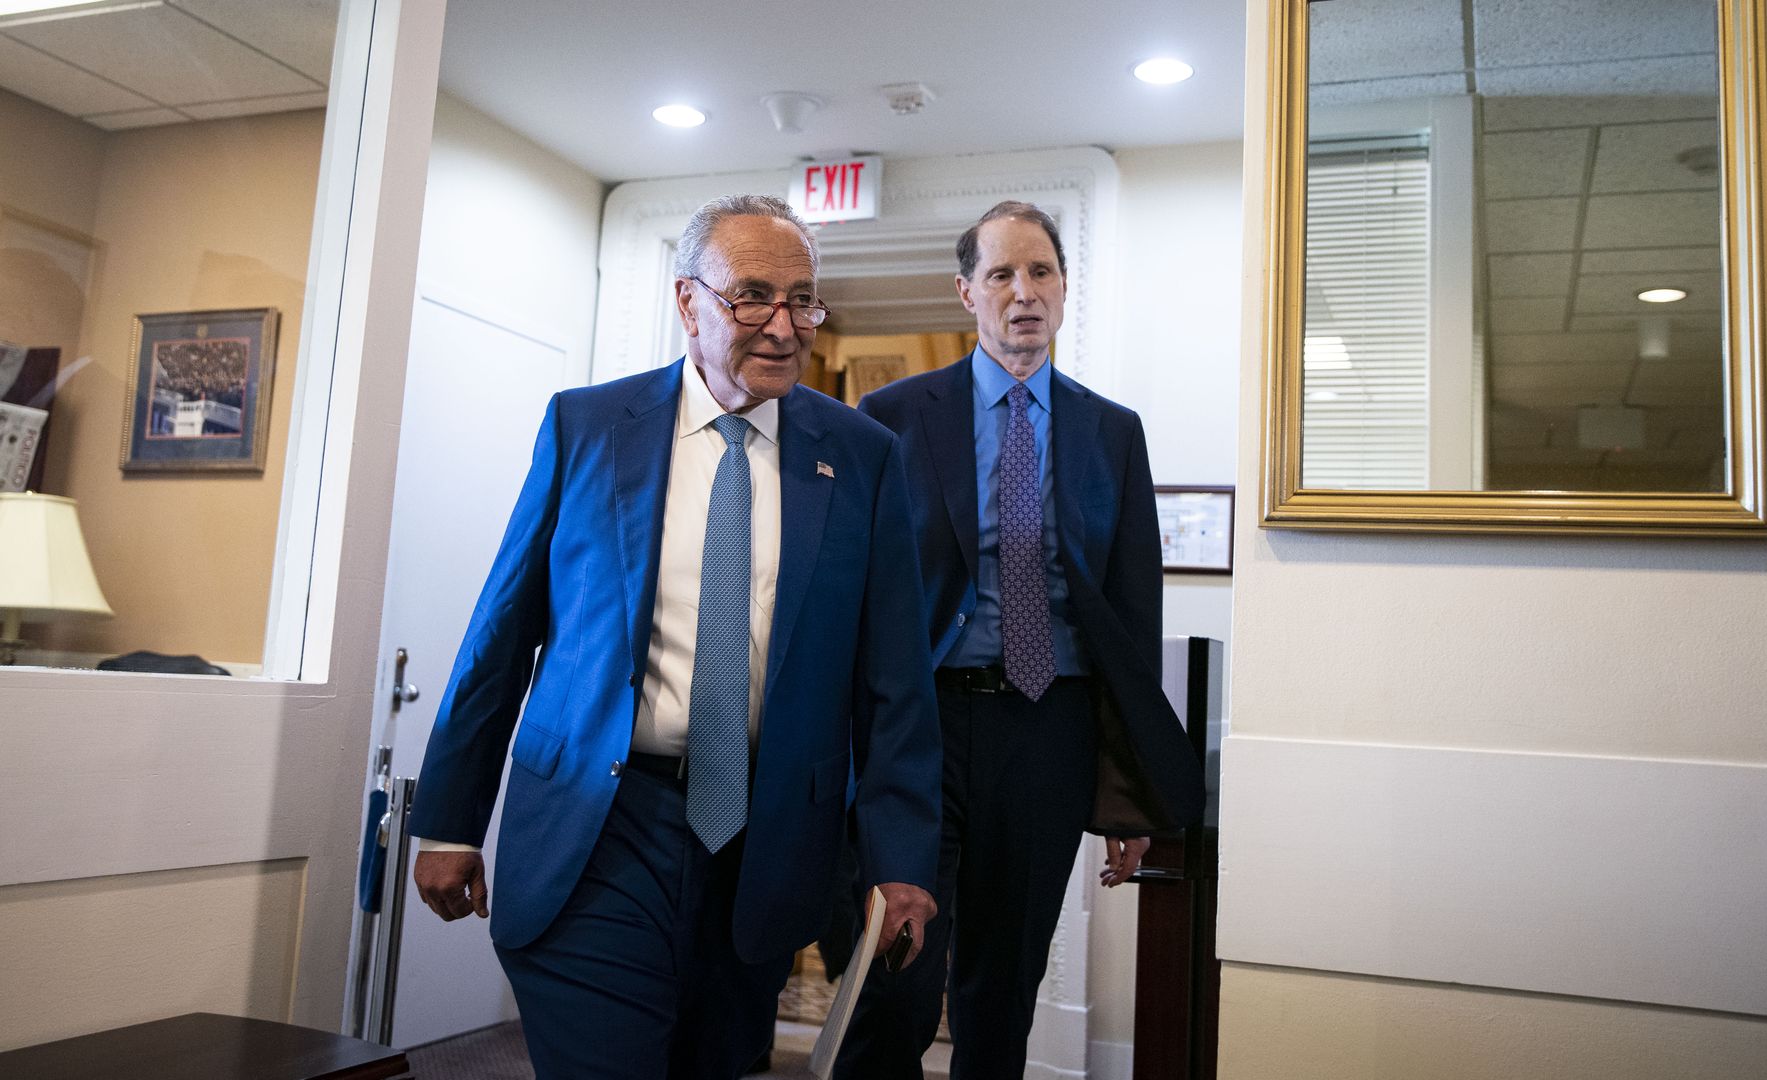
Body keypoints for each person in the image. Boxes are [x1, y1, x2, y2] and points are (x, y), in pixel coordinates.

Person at [406, 194, 941, 1080]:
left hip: (763, 837)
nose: (784, 326)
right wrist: (449, 818)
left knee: (715, 1060)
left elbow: (895, 685)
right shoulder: (588, 428)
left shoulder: (860, 456)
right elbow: (502, 630)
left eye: (803, 299)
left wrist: (902, 861)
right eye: (753, 297)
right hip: (604, 818)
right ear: (688, 302)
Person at [838, 201, 1204, 1078]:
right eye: (1001, 274)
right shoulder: (891, 415)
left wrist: (1133, 791)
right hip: (922, 730)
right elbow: (852, 591)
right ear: (967, 292)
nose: (1023, 293)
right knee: (897, 979)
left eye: (1041, 272)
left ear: (1065, 290)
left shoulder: (1111, 433)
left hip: (1051, 731)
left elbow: (1130, 613)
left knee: (1001, 991)